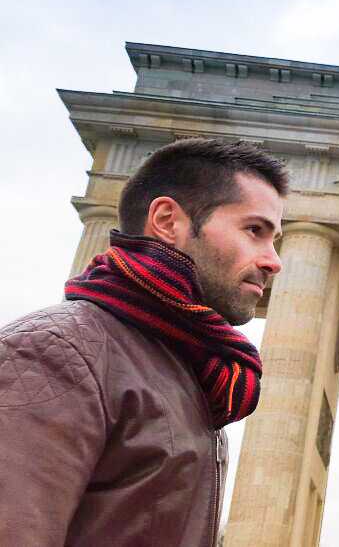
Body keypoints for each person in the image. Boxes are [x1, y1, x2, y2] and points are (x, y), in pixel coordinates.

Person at [0, 138, 287, 546]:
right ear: (168, 221)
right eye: (254, 230)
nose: (273, 260)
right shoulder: (55, 353)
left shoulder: (196, 377)